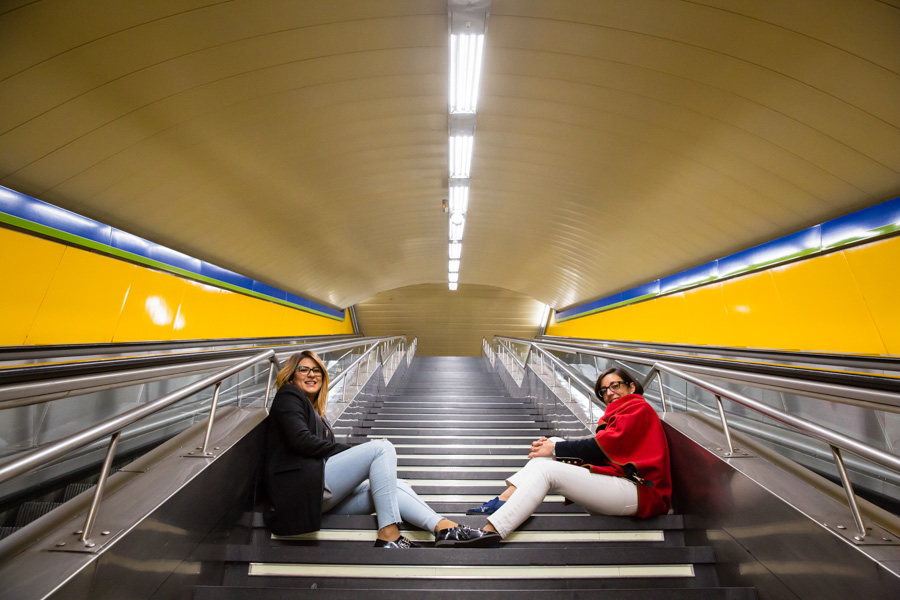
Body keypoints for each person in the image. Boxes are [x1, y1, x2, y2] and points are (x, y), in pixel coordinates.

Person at [264, 350, 500, 548]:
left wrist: (382, 476)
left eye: (317, 370)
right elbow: (301, 441)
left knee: (392, 485)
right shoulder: (289, 395)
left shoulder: (319, 416)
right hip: (298, 491)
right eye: (303, 369)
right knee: (381, 448)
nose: (312, 375)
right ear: (291, 374)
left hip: (314, 495)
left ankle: (443, 528)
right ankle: (389, 535)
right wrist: (349, 453)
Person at [466, 367, 672, 540]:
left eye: (615, 386)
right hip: (621, 484)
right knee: (553, 442)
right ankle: (503, 501)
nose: (609, 393)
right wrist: (553, 447)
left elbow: (602, 446)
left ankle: (491, 531)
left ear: (631, 386)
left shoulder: (637, 408)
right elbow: (603, 451)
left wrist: (555, 451)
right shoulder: (617, 414)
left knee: (548, 468)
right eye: (603, 390)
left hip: (641, 491)